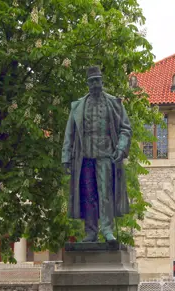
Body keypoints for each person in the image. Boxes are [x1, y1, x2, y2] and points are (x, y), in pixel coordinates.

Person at [62, 66, 132, 243]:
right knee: (88, 194)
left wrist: (122, 147)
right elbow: (69, 133)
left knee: (105, 193)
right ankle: (91, 232)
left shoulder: (114, 103)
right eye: (92, 81)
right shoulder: (78, 106)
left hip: (106, 155)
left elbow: (125, 128)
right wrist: (65, 157)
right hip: (84, 157)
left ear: (102, 81)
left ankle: (107, 230)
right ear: (88, 84)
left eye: (97, 80)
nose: (95, 84)